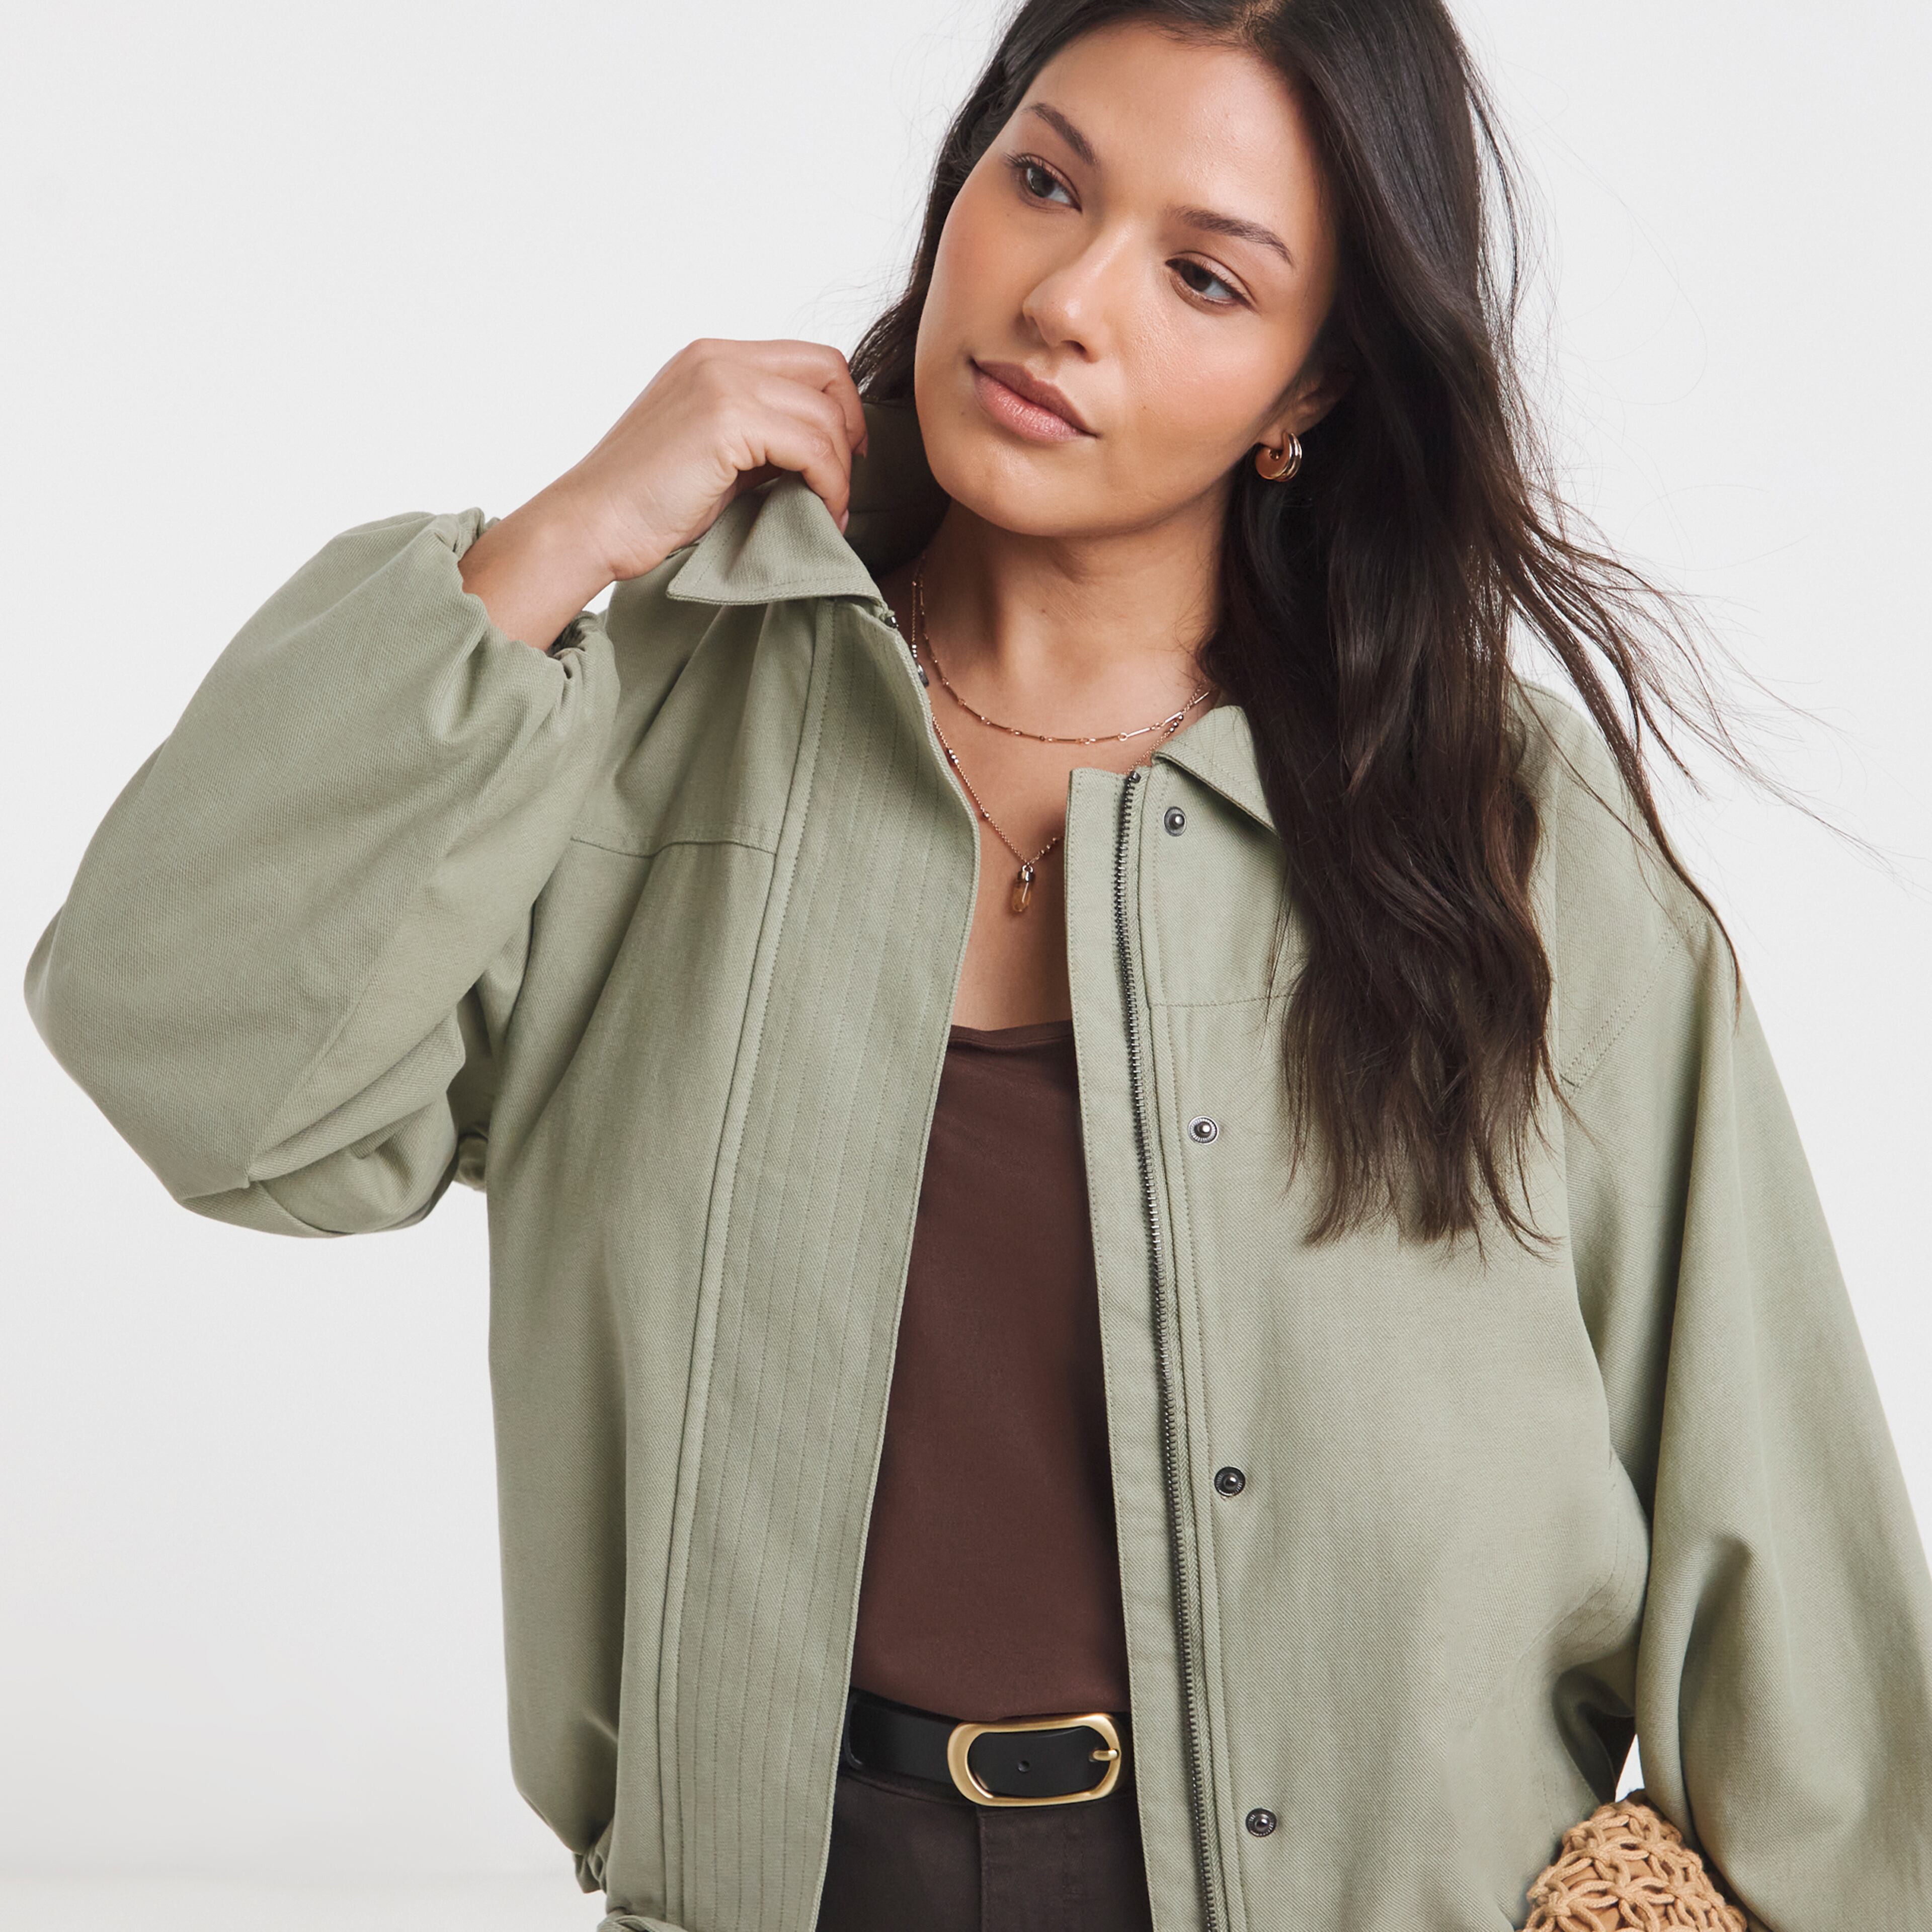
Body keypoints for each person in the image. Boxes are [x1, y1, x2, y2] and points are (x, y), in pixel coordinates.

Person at [23, 0, 1932, 1926]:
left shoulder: (1495, 824)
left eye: (1203, 275)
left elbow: (1765, 1501)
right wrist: (555, 545)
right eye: (1044, 183)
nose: (1065, 302)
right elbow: (197, 1061)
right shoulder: (646, 727)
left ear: (1312, 391)